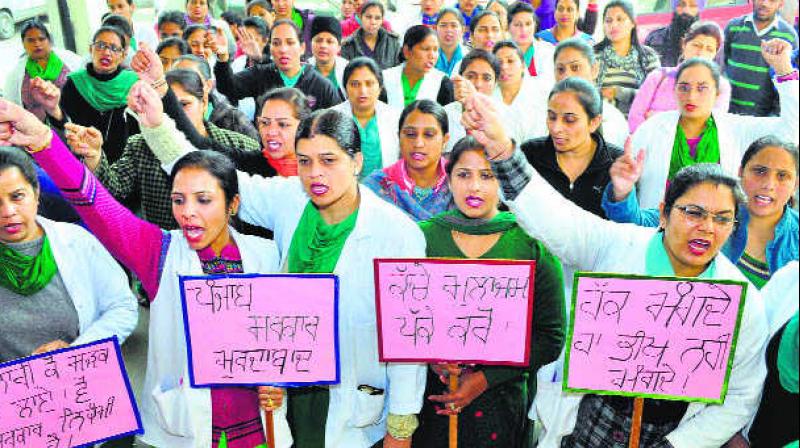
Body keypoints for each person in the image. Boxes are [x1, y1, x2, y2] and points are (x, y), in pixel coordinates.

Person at [458, 93, 768, 448]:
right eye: (693, 213)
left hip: (671, 436)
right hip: (590, 425)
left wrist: (676, 445)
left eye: (721, 219)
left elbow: (741, 395)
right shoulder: (618, 245)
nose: (707, 228)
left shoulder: (743, 302)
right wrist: (502, 153)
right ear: (664, 213)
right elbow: (555, 218)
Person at [135, 100, 428, 448]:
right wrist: (156, 125)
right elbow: (215, 179)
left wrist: (401, 426)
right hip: (288, 390)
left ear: (357, 162)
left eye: (329, 160)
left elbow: (408, 340)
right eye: (305, 161)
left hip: (351, 395)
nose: (315, 174)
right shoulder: (291, 199)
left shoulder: (398, 233)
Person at [7, 90, 290, 448]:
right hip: (187, 428)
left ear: (233, 203)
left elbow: (282, 341)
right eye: (178, 199)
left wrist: (278, 382)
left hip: (257, 429)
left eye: (203, 200)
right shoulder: (162, 252)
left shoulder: (266, 256)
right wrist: (46, 143)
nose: (187, 212)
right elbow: (96, 204)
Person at [411, 136, 565, 448]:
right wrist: (431, 360)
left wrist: (483, 379)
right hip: (433, 398)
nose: (474, 187)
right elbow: (403, 321)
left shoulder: (531, 244)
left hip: (502, 402)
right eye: (464, 175)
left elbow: (550, 337)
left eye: (488, 175)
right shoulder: (419, 240)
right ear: (448, 177)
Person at [67, 68, 260, 230]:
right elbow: (113, 191)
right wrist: (94, 156)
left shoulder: (241, 145)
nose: (174, 113)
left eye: (183, 105)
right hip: (164, 254)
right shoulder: (141, 146)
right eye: (165, 105)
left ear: (204, 103)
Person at [0, 140, 137, 365]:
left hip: (78, 387)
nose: (8, 211)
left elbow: (122, 306)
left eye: (17, 196)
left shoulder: (77, 242)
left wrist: (77, 351)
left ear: (36, 193)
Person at [604, 135, 798, 289]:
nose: (769, 184)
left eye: (783, 176)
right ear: (740, 171)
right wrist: (623, 191)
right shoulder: (711, 207)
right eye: (760, 171)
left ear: (796, 184)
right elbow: (636, 222)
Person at [629, 46, 798, 209]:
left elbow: (790, 132)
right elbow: (628, 176)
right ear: (675, 90)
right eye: (684, 88)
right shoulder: (653, 128)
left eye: (702, 88)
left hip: (714, 232)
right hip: (659, 230)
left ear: (717, 93)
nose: (691, 96)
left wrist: (783, 69)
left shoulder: (736, 128)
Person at [34, 26, 139, 165]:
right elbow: (64, 126)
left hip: (127, 165)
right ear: (91, 49)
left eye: (114, 48)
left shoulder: (134, 84)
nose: (106, 52)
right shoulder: (75, 83)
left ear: (123, 56)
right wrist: (54, 111)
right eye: (101, 46)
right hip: (84, 160)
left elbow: (140, 132)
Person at [522, 77, 622, 219]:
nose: (556, 128)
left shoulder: (617, 165)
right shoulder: (530, 155)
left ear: (594, 122)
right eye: (551, 117)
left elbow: (625, 226)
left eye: (569, 120)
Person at [214, 19, 342, 112]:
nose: (283, 49)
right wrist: (223, 59)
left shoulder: (322, 86)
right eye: (276, 43)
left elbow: (336, 123)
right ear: (270, 48)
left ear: (302, 48)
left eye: (290, 43)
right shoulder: (260, 75)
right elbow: (228, 87)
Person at [629, 21, 731, 134]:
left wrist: (656, 116)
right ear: (684, 45)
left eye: (709, 49)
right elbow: (635, 117)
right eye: (696, 45)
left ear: (715, 54)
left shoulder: (720, 87)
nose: (701, 53)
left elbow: (709, 127)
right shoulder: (658, 77)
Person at [363, 100, 452, 221]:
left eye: (429, 134)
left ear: (445, 140)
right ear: (399, 137)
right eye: (410, 134)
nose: (418, 143)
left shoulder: (460, 182)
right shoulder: (376, 186)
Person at [724, 0, 799, 116]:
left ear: (781, 3)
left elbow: (788, 79)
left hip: (762, 118)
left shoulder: (789, 35)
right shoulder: (733, 27)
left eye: (772, 0)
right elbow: (723, 64)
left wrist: (774, 116)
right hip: (728, 114)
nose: (765, 3)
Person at [553, 38, 628, 147]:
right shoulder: (542, 118)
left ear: (594, 70)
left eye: (575, 67)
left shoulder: (613, 120)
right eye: (560, 69)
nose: (566, 76)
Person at [333, 57, 401, 179]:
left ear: (380, 87)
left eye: (369, 84)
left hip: (386, 191)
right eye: (355, 84)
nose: (362, 90)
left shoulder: (395, 117)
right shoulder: (332, 118)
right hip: (344, 190)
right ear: (345, 88)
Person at [5, 20, 82, 121]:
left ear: (49, 40)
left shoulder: (69, 60)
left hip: (73, 122)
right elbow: (12, 105)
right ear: (23, 44)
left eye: (41, 39)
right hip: (37, 129)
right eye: (30, 40)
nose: (37, 44)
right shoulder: (16, 75)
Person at [595, 0, 661, 116]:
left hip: (637, 125)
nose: (613, 25)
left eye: (620, 19)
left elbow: (657, 95)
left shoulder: (648, 57)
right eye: (608, 20)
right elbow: (582, 91)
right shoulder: (592, 55)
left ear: (632, 23)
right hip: (600, 124)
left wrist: (618, 92)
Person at [174, 54, 261, 141]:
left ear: (208, 85)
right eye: (176, 80)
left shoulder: (233, 119)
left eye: (191, 79)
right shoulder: (164, 116)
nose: (182, 86)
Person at [383, 25, 455, 109]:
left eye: (435, 50)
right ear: (407, 51)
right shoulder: (385, 79)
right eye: (425, 49)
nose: (432, 55)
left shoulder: (442, 83)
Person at [492, 41, 549, 141]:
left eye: (510, 61)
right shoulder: (487, 96)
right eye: (499, 62)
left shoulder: (541, 95)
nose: (504, 67)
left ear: (523, 66)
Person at [341, 1, 402, 70]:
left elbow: (398, 71)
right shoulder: (348, 45)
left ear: (382, 20)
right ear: (361, 17)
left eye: (377, 18)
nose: (373, 22)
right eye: (368, 17)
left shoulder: (393, 43)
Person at [645, 0, 706, 68]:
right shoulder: (654, 38)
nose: (686, 10)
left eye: (693, 6)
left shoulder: (708, 41)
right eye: (681, 5)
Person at [508, 2, 556, 81]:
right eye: (517, 24)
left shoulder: (548, 51)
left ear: (535, 25)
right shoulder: (500, 53)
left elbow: (548, 85)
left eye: (528, 24)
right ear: (508, 27)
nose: (524, 29)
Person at [308, 16, 348, 98]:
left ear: (339, 47)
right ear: (311, 43)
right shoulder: (303, 69)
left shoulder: (347, 70)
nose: (323, 46)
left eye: (330, 41)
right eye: (318, 40)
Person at [435, 8, 466, 77]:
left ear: (463, 30)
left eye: (454, 26)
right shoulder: (428, 55)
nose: (448, 30)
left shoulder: (468, 56)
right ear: (435, 28)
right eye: (443, 25)